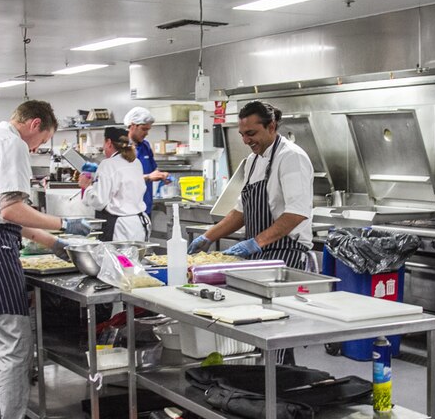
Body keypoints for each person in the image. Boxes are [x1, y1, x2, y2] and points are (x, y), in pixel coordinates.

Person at [0, 100, 91, 419]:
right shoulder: (12, 144)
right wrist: (62, 223)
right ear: (34, 125)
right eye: (42, 140)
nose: (37, 147)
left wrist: (53, 243)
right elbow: (10, 211)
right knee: (14, 350)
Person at [188, 101, 314, 363]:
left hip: (284, 256)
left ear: (271, 126)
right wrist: (208, 237)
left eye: (252, 134)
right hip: (259, 258)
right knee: (255, 327)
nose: (246, 140)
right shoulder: (253, 161)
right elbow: (241, 212)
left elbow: (297, 212)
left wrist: (254, 243)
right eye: (242, 135)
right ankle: (261, 384)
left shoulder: (291, 157)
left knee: (276, 330)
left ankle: (276, 388)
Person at [79, 127, 149, 241]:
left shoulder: (107, 164)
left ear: (109, 142)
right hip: (137, 224)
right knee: (134, 258)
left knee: (117, 259)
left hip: (119, 227)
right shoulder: (136, 162)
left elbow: (99, 201)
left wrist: (87, 187)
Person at [124, 107, 169, 215]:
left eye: (148, 130)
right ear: (133, 126)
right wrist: (148, 177)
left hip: (145, 206)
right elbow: (121, 180)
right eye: (144, 129)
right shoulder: (121, 148)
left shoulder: (145, 146)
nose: (146, 133)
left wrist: (161, 175)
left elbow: (153, 169)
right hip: (127, 210)